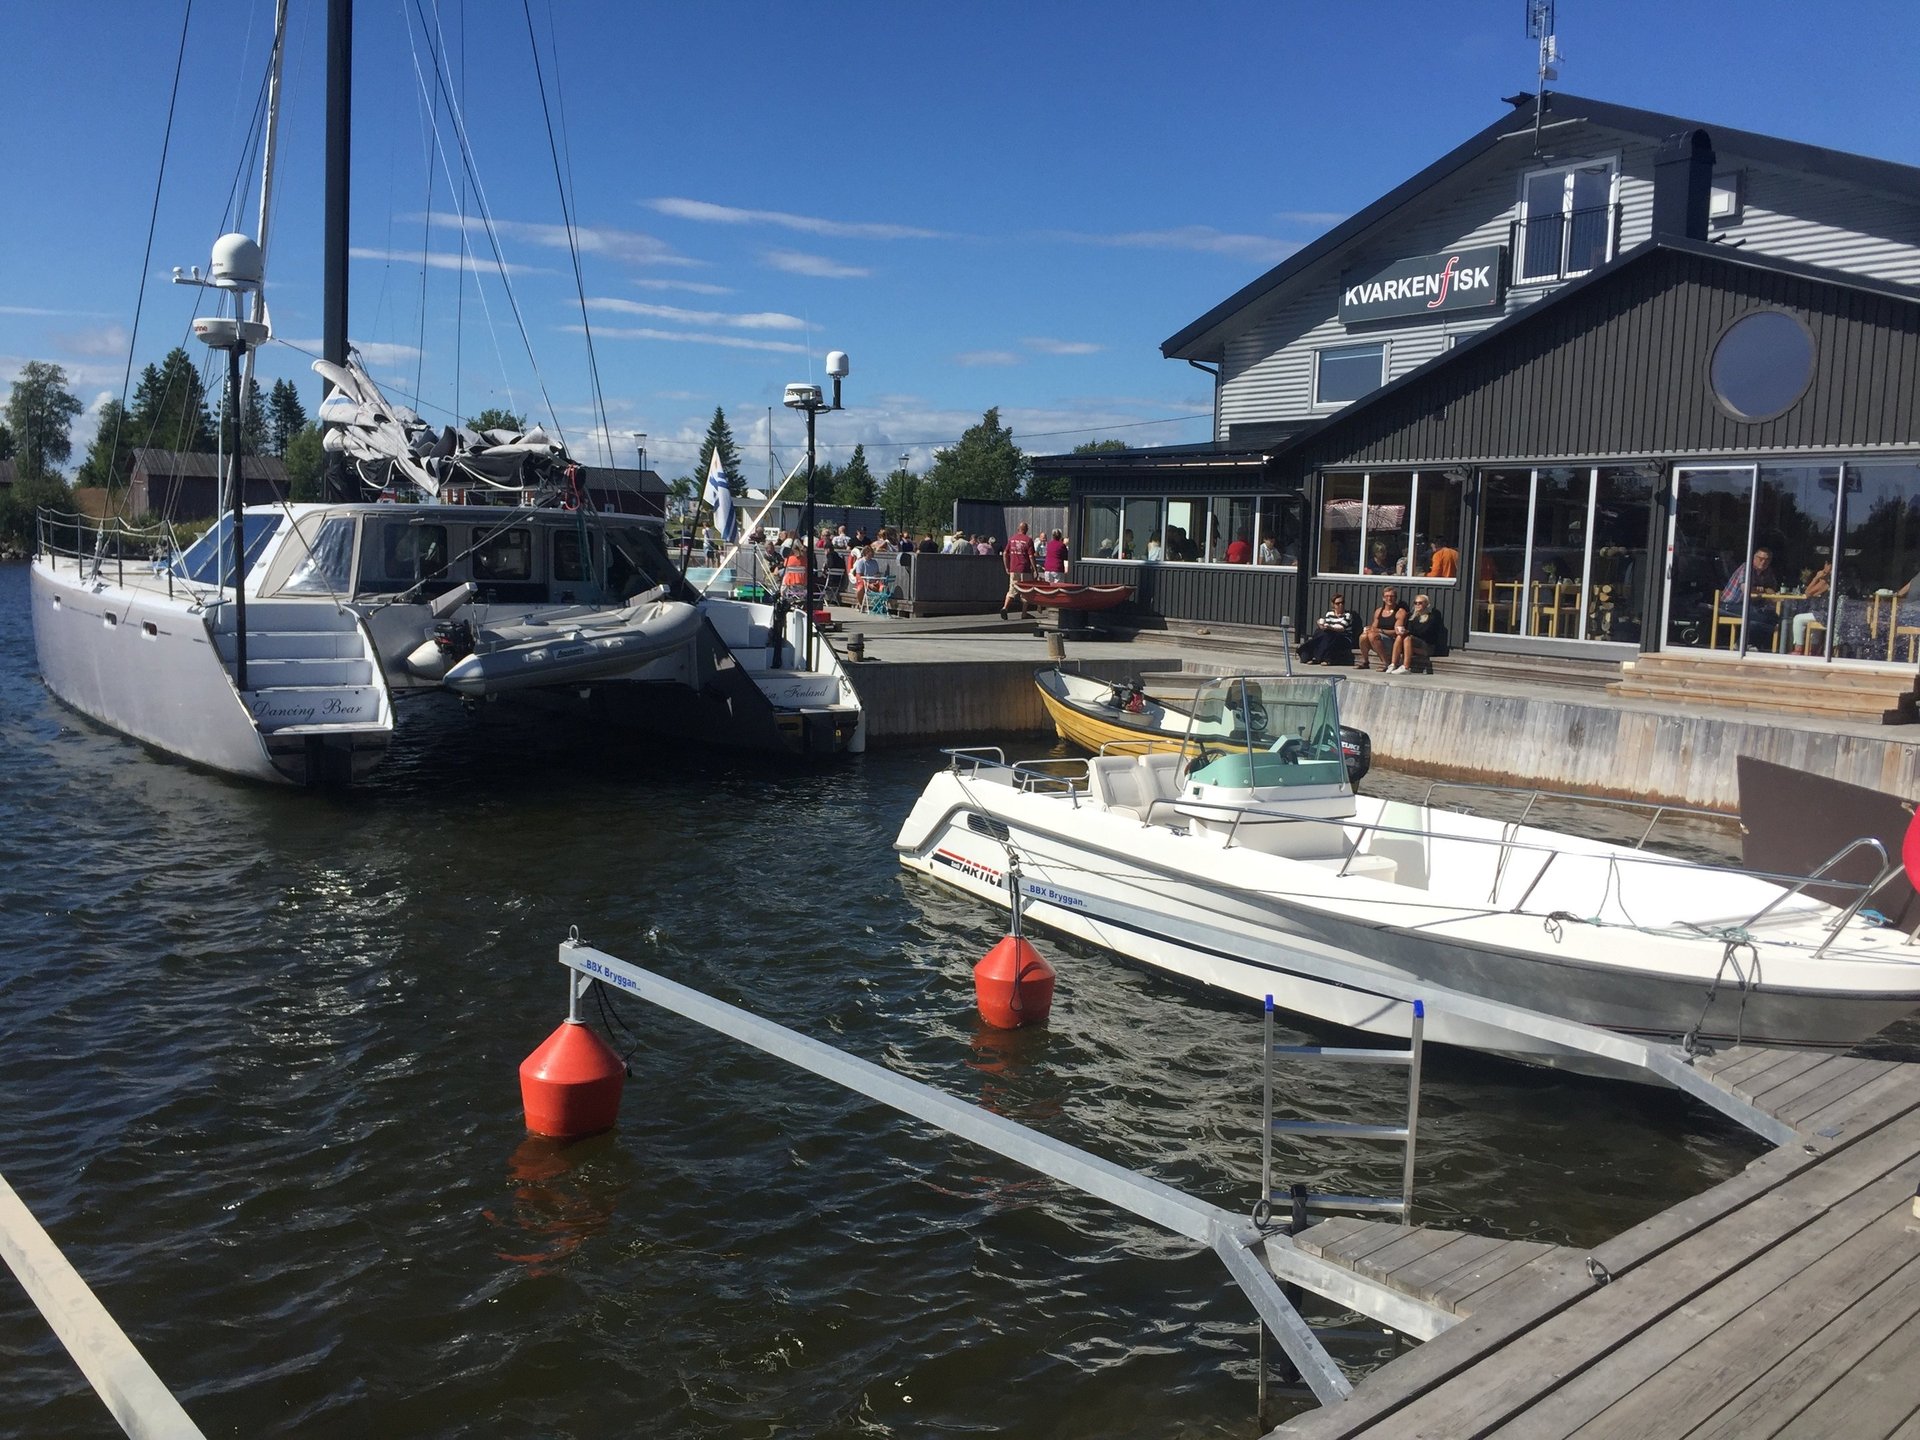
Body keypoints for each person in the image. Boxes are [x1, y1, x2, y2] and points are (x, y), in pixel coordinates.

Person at [1721, 547, 1780, 649]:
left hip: (1749, 604)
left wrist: (1764, 590)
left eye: (1767, 560)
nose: (1763, 562)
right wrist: (1759, 589)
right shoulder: (1746, 567)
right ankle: (1742, 644)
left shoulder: (1767, 572)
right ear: (1754, 558)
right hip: (1731, 604)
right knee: (1760, 616)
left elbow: (1772, 590)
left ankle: (1751, 644)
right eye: (1760, 558)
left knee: (1773, 617)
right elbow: (1746, 589)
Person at [1391, 593, 1448, 673]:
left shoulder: (1431, 618)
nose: (1417, 605)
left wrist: (1407, 632)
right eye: (1415, 603)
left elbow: (1424, 633)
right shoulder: (1411, 617)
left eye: (1420, 603)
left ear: (1427, 604)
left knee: (1407, 638)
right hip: (1412, 644)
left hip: (1427, 646)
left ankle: (1406, 667)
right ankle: (1393, 664)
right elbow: (1408, 630)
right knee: (1400, 637)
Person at [1357, 588, 1406, 671]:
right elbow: (1374, 628)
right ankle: (1365, 661)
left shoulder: (1400, 612)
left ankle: (1386, 663)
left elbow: (1397, 633)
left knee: (1373, 635)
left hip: (1393, 642)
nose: (1389, 599)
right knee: (1363, 636)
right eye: (1387, 596)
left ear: (1395, 598)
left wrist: (1380, 631)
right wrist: (1369, 629)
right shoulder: (1379, 611)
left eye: (1392, 596)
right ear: (1383, 598)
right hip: (1378, 640)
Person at [1298, 595, 1355, 665]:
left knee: (1328, 635)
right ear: (1333, 605)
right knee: (1320, 632)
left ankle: (1312, 655)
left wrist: (1329, 628)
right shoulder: (1329, 614)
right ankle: (1321, 658)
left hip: (1343, 637)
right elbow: (1326, 626)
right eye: (1338, 603)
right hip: (1330, 636)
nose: (1341, 605)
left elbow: (1341, 628)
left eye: (1342, 603)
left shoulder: (1347, 615)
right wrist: (1321, 625)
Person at [1789, 562, 1832, 654]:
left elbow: (1808, 593)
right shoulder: (1831, 579)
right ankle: (1813, 650)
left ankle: (1798, 649)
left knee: (1798, 619)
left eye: (1828, 564)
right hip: (1826, 613)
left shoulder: (1827, 580)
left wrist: (1816, 578)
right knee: (1813, 616)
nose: (1826, 566)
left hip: (1826, 614)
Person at [1002, 520, 1037, 618]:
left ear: (1018, 529)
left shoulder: (1011, 539)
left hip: (1013, 568)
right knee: (1026, 591)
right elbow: (1031, 556)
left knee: (1011, 590)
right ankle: (1024, 613)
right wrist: (1035, 569)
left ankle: (1005, 608)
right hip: (1024, 569)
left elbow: (1005, 553)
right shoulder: (1028, 540)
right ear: (1026, 530)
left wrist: (1006, 567)